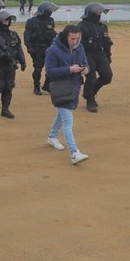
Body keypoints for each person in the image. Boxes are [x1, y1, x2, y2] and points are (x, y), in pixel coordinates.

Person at [44, 25, 90, 164]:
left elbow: (86, 63)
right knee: (68, 121)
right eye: (72, 38)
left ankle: (52, 136)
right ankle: (74, 152)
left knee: (62, 114)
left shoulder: (80, 47)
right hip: (60, 89)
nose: (75, 41)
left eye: (77, 38)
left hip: (74, 87)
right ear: (65, 36)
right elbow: (49, 72)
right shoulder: (53, 50)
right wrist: (69, 69)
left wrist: (85, 69)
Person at [0, 9, 26, 118]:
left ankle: (5, 109)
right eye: (5, 19)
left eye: (9, 19)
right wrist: (0, 54)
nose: (7, 21)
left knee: (8, 88)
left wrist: (22, 61)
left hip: (10, 65)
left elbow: (18, 48)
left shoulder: (13, 34)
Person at [79, 2, 114, 113]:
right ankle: (90, 100)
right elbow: (77, 45)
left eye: (100, 12)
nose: (99, 14)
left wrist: (108, 55)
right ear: (90, 13)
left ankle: (90, 93)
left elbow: (107, 42)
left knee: (107, 76)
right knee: (91, 78)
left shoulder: (102, 26)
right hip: (87, 54)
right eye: (97, 12)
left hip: (100, 53)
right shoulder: (81, 26)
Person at [24, 1, 59, 96]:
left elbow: (53, 32)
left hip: (49, 47)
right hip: (37, 48)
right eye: (49, 10)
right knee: (38, 68)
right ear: (43, 11)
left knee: (51, 67)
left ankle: (47, 85)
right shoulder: (32, 21)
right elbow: (27, 35)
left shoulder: (51, 20)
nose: (50, 12)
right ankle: (36, 86)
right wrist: (29, 46)